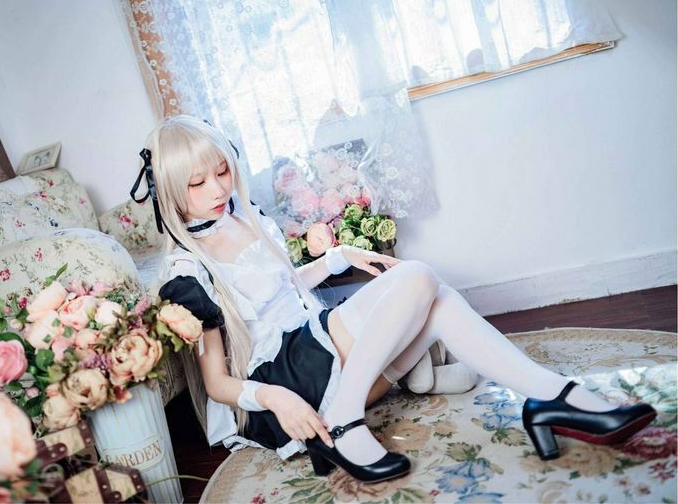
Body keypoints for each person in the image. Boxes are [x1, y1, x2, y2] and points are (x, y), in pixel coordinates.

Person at [137, 115, 656, 484]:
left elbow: (285, 289)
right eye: (197, 183)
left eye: (222, 171)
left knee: (439, 300)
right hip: (288, 384)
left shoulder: (247, 219)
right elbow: (216, 384)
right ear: (171, 192)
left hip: (323, 354)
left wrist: (338, 257)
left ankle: (552, 396)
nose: (217, 189)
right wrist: (274, 398)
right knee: (419, 277)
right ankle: (344, 421)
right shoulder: (186, 272)